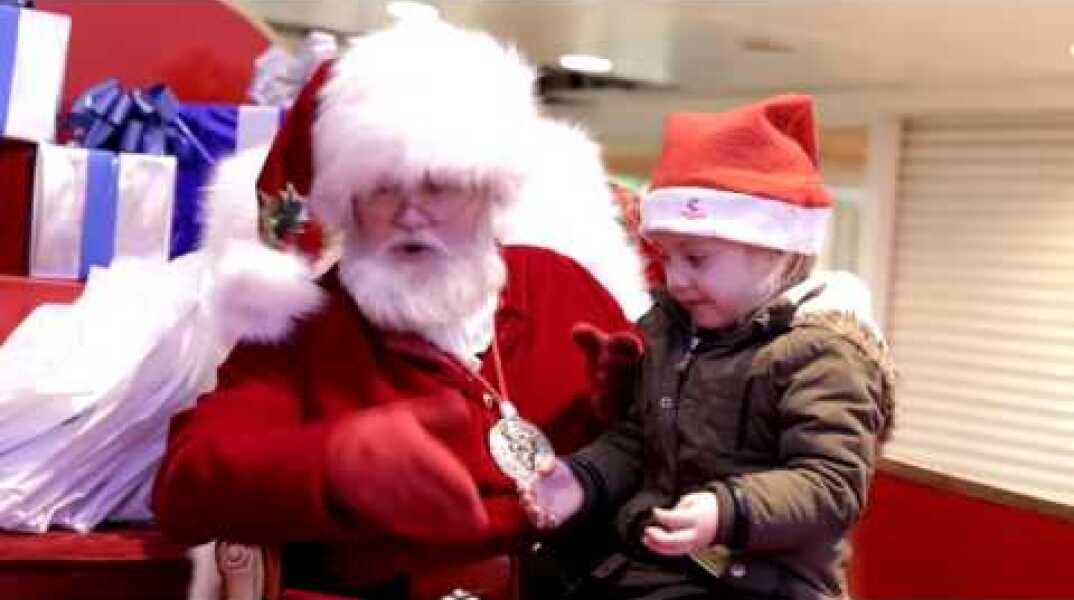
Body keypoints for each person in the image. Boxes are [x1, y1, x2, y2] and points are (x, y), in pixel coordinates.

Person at [151, 21, 649, 598]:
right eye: (383, 189)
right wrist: (334, 462)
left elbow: (672, 443)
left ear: (489, 191)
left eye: (438, 184)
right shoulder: (305, 328)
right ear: (349, 203)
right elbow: (187, 485)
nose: (412, 214)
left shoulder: (561, 286)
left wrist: (629, 406)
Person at [520, 95, 896, 600]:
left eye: (696, 258)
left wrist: (727, 510)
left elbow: (831, 484)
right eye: (667, 258)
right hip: (650, 566)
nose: (675, 280)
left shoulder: (825, 353)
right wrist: (582, 478)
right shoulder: (668, 330)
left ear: (776, 250)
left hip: (759, 582)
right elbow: (637, 441)